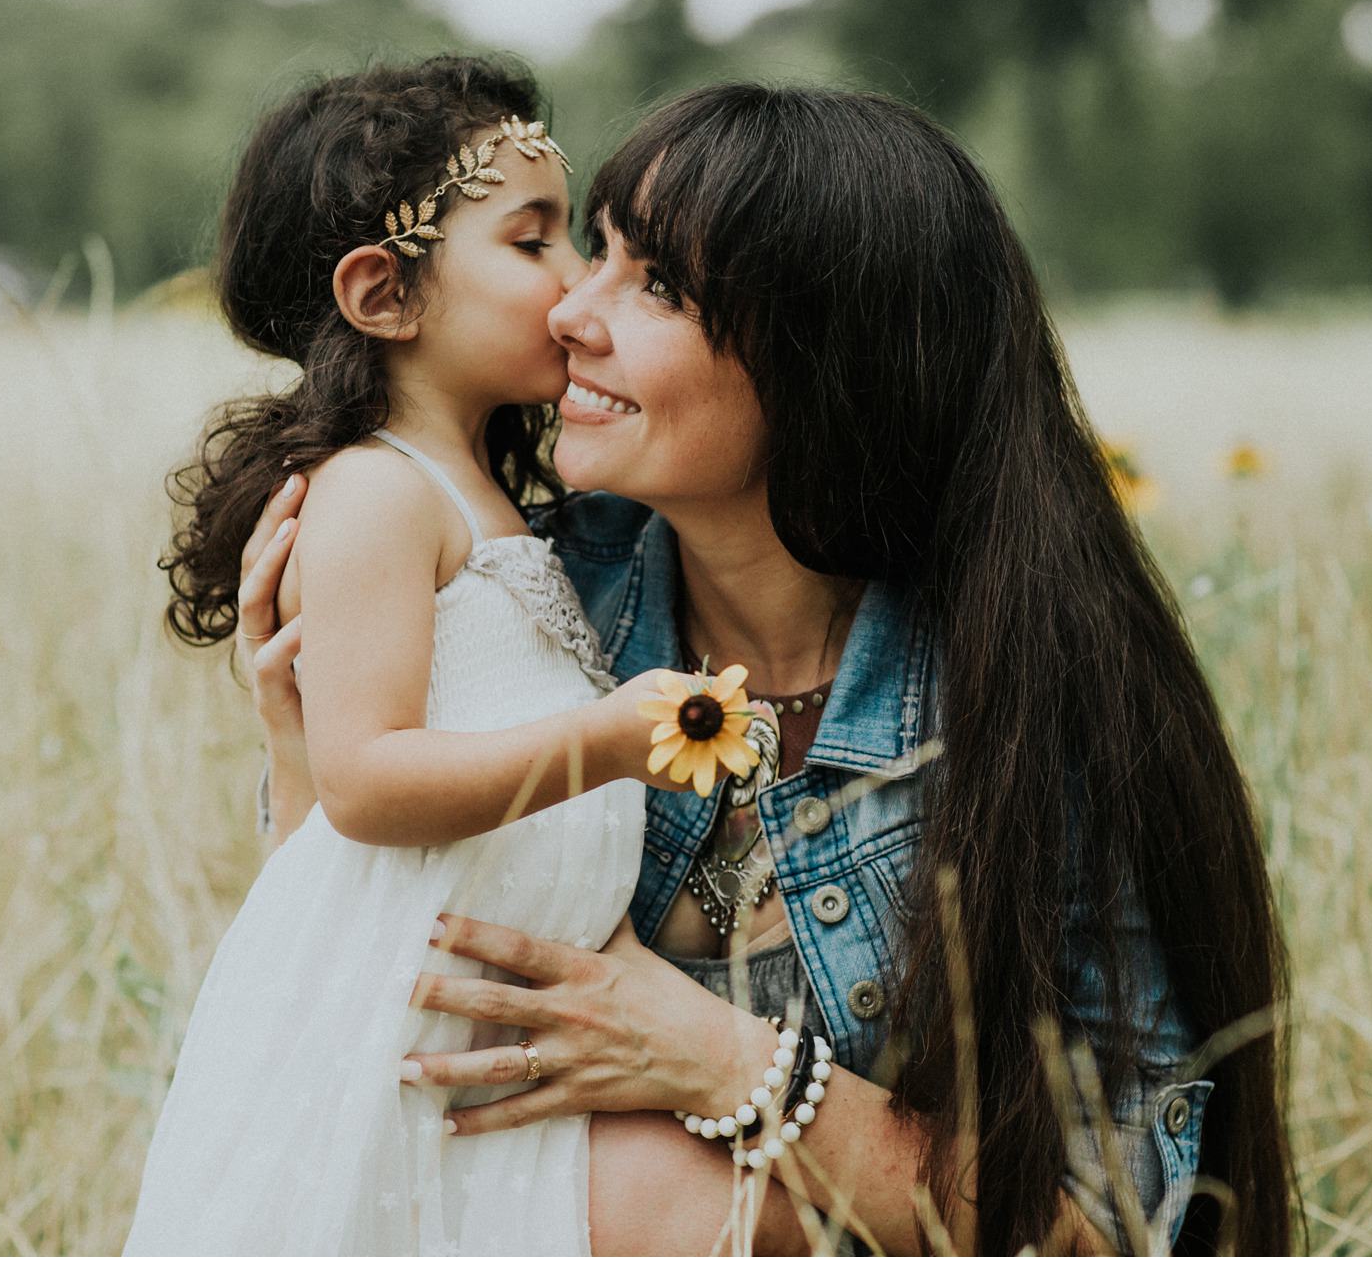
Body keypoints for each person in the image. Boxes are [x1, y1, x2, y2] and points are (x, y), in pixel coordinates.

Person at [240, 81, 1299, 1255]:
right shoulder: (523, 612)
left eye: (657, 285)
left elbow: (1109, 1228)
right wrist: (304, 756)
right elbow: (359, 1028)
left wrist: (725, 1064)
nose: (569, 310)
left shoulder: (1021, 697)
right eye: (588, 249)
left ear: (825, 364)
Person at [129, 56, 735, 1255]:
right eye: (534, 243)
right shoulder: (373, 494)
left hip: (471, 1053)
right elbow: (363, 782)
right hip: (385, 1043)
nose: (574, 294)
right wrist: (612, 741)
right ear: (384, 293)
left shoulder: (493, 497)